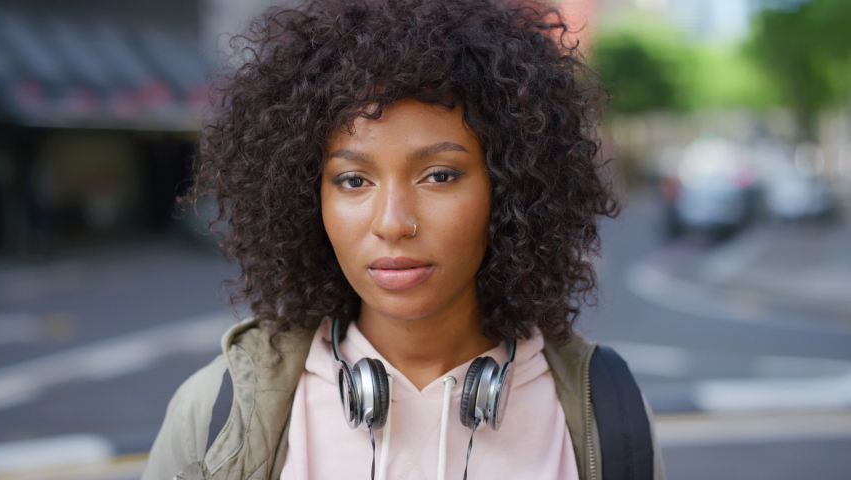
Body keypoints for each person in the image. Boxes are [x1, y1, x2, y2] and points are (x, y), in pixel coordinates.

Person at [144, 0, 664, 479]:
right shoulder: (218, 409)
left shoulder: (606, 413)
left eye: (439, 175)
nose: (393, 223)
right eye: (353, 180)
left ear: (509, 188)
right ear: (308, 199)